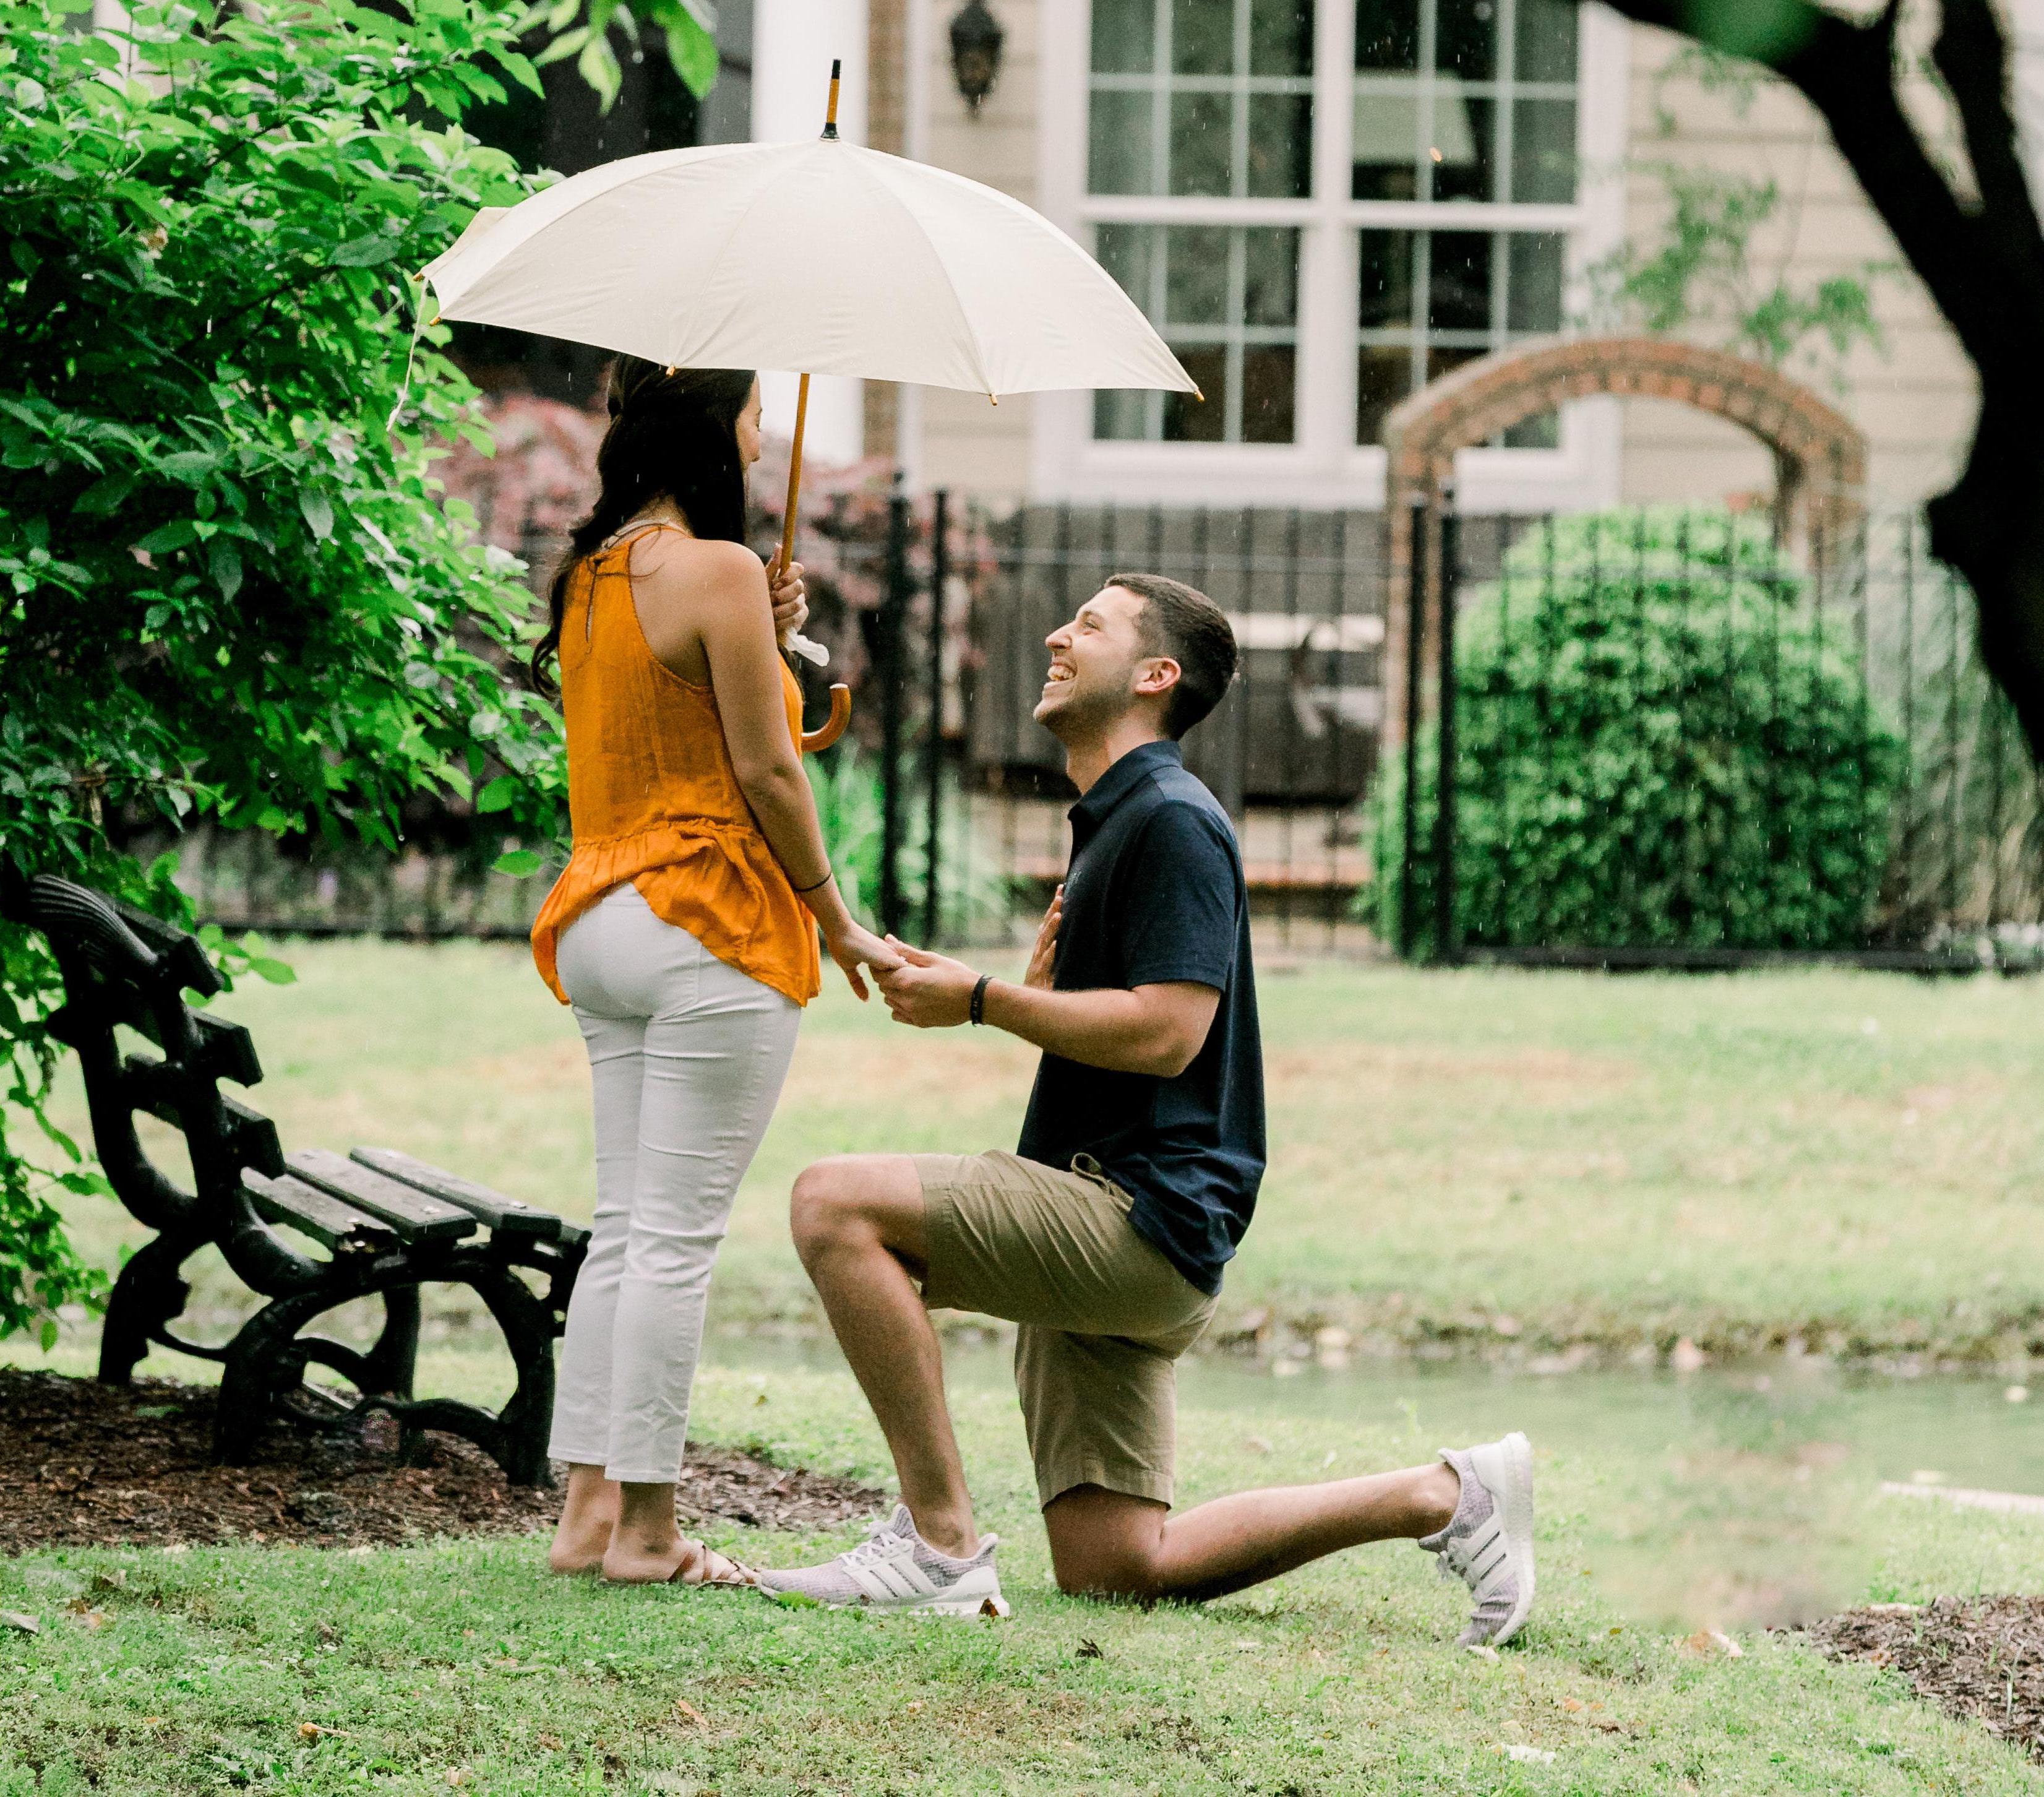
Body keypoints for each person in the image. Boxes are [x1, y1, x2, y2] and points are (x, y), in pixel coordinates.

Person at [759, 574, 1535, 1639]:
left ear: (1155, 675)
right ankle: (1448, 1496)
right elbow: (1114, 1023)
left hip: (1133, 1217)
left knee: (832, 1205)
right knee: (1118, 1567)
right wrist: (1012, 987)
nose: (1055, 635)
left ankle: (937, 1545)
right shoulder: (1120, 818)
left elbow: (1173, 1029)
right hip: (1127, 1218)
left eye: (1090, 625)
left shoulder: (1171, 819)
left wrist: (986, 1001)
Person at [527, 358, 898, 1588]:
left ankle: (585, 1517)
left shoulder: (590, 574)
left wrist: (774, 640)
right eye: (752, 419)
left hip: (600, 917)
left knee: (625, 1230)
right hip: (707, 919)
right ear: (708, 435)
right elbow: (769, 772)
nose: (759, 440)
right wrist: (836, 918)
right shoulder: (722, 570)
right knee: (673, 1240)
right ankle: (644, 1532)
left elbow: (691, 722)